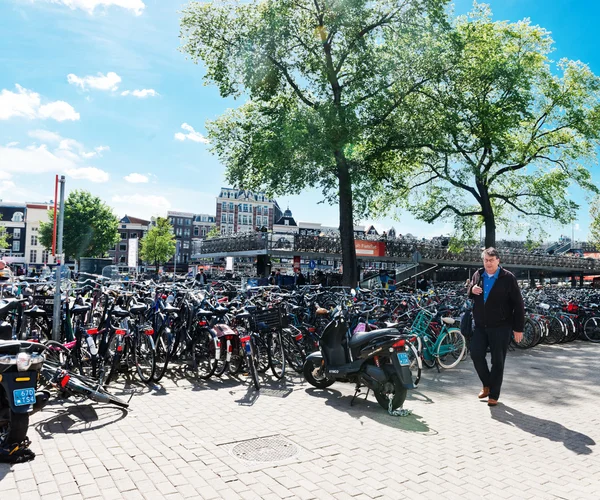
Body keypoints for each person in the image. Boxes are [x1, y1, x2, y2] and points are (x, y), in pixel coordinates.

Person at [467, 248, 524, 407]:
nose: (488, 263)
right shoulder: (478, 275)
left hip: (501, 326)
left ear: (498, 261)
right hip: (480, 325)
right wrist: (471, 290)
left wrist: (518, 328)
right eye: (485, 260)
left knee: (497, 361)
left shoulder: (508, 278)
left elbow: (518, 304)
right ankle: (486, 384)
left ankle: (494, 394)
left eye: (491, 260)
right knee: (476, 354)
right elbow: (469, 292)